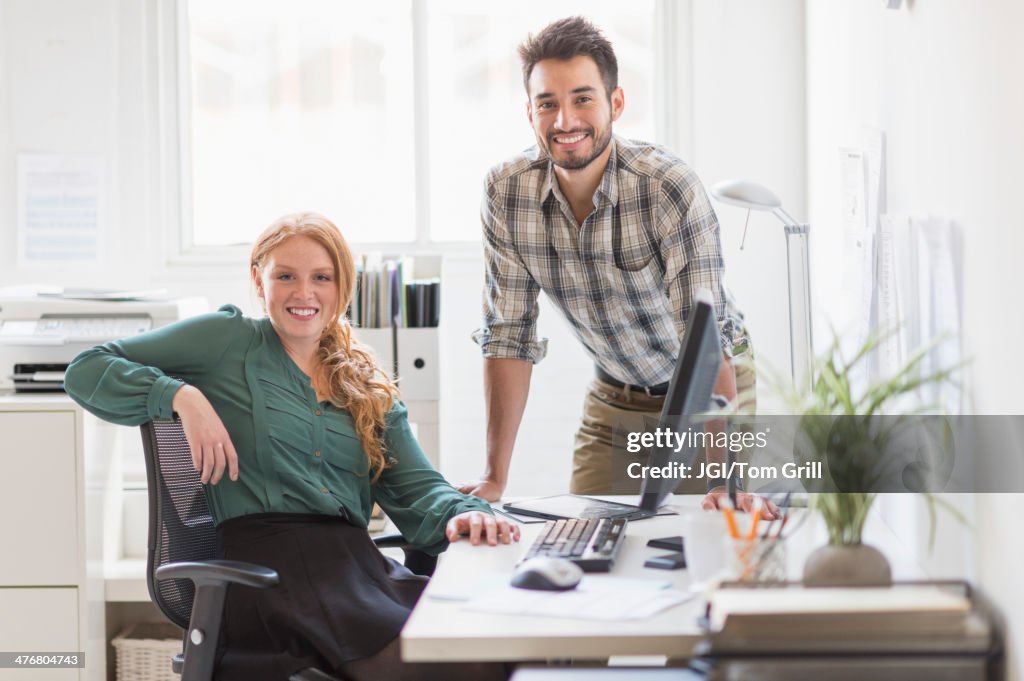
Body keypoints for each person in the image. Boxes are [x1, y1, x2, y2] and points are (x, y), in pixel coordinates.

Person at [66, 212, 516, 681]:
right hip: (268, 576)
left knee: (503, 643)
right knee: (467, 666)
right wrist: (181, 396)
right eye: (286, 276)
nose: (304, 293)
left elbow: (420, 489)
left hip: (356, 572)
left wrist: (463, 512)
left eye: (322, 277)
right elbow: (86, 368)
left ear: (343, 286)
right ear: (259, 281)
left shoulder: (365, 385)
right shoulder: (226, 340)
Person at [460, 16, 773, 518]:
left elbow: (706, 336)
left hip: (707, 394)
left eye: (582, 98)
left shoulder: (667, 188)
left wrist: (722, 478)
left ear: (616, 103)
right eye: (548, 103)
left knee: (710, 535)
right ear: (530, 111)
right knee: (582, 536)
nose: (565, 121)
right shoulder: (507, 192)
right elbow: (507, 335)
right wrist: (494, 477)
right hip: (615, 398)